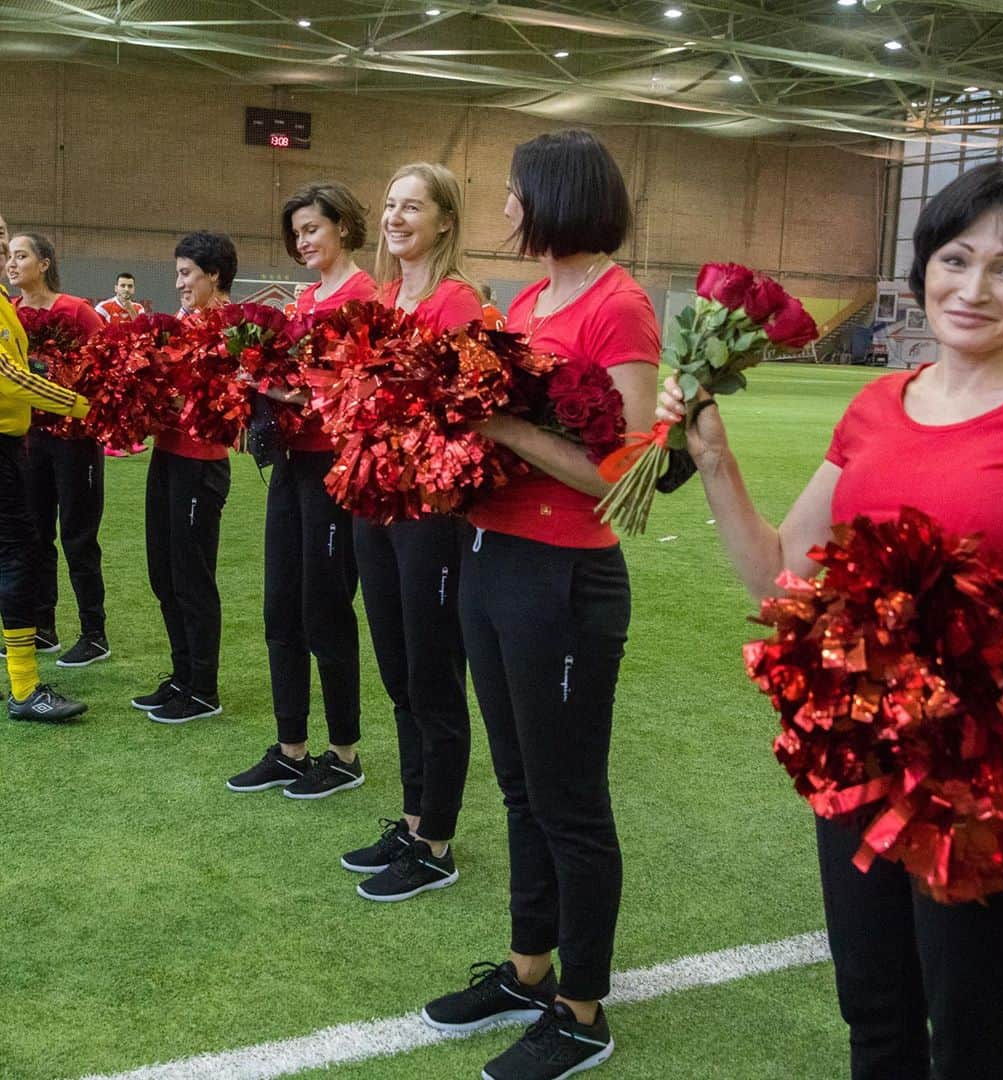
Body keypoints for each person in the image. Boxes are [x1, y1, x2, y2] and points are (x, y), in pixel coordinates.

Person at [656, 162, 1003, 1080]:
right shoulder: (877, 406)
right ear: (925, 264)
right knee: (875, 1011)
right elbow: (780, 577)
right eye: (956, 258)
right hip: (860, 746)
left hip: (984, 768)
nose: (972, 288)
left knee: (972, 1027)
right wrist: (716, 460)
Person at [419, 131, 660, 1080]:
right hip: (493, 556)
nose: (506, 209)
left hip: (564, 578)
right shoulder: (526, 299)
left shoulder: (620, 304)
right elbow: (500, 441)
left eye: (515, 194)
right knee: (519, 785)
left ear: (555, 198)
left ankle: (582, 1009)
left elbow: (626, 472)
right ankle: (529, 969)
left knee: (568, 800)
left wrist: (495, 422)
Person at [340, 162, 482, 902]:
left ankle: (437, 841)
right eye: (390, 205)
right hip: (374, 506)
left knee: (432, 673)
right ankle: (412, 815)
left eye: (412, 207)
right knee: (397, 673)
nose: (396, 218)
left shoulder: (459, 301)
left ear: (445, 221)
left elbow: (467, 411)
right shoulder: (386, 295)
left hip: (428, 514)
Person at [227, 182, 375, 799]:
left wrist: (288, 390)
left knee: (326, 611)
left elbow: (362, 389)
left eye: (312, 228)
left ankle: (343, 753)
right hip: (290, 465)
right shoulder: (307, 296)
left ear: (341, 225)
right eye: (297, 232)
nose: (302, 240)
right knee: (280, 607)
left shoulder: (364, 293)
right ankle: (291, 747)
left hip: (335, 471)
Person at [132, 232, 235, 724]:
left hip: (201, 464)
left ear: (214, 274)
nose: (179, 283)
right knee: (163, 574)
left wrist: (175, 403)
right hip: (167, 456)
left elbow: (231, 408)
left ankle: (204, 689)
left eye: (187, 273)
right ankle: (182, 677)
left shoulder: (235, 329)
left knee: (193, 578)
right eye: (177, 273)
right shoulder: (182, 325)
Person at [7, 233, 111, 669]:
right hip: (31, 441)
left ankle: (94, 633)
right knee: (34, 534)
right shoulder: (10, 313)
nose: (12, 264)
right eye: (9, 256)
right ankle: (42, 625)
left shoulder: (77, 310)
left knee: (78, 536)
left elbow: (111, 362)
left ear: (45, 263)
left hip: (76, 440)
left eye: (22, 255)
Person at [0, 236, 90, 721]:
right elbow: (10, 377)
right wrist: (80, 403)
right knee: (18, 555)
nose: (2, 246)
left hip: (15, 443)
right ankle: (24, 688)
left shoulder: (5, 304)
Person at [96, 273, 149, 456]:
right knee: (113, 404)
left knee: (132, 403)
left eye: (129, 286)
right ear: (115, 288)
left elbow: (143, 329)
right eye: (123, 286)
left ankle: (131, 441)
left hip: (132, 364)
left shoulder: (138, 308)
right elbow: (96, 334)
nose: (126, 290)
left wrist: (130, 309)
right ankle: (109, 445)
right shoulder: (104, 308)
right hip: (111, 364)